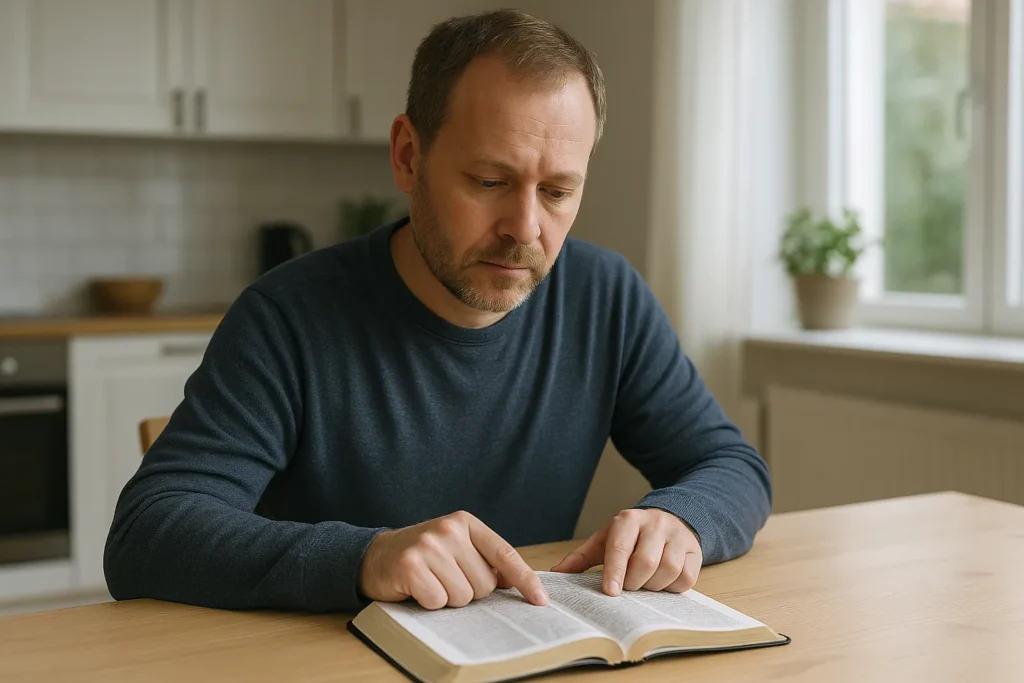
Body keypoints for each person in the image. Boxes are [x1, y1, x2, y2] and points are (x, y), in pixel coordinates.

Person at [104, 8, 771, 614]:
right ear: (407, 155)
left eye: (559, 191)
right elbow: (148, 531)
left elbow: (731, 465)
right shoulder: (287, 318)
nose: (525, 228)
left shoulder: (605, 297)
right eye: (490, 181)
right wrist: (366, 556)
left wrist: (682, 517)